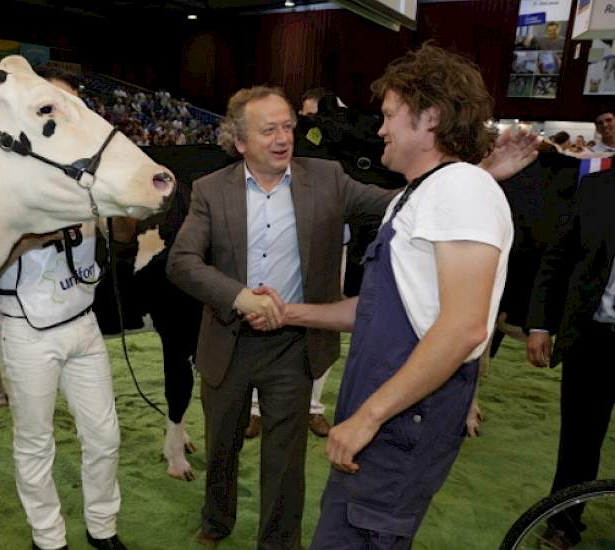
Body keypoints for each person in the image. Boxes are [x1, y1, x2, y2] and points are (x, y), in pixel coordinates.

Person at [244, 43, 535, 548]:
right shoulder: (419, 194)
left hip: (402, 421)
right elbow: (382, 310)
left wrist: (369, 417)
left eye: (389, 116)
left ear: (430, 118)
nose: (380, 129)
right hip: (392, 411)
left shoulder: (460, 189)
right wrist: (290, 312)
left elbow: (464, 326)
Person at [167, 85, 396, 549]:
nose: (282, 138)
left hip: (295, 346)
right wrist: (239, 297)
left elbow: (393, 202)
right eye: (268, 129)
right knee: (222, 447)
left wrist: (464, 177)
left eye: (288, 126)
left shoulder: (329, 178)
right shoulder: (211, 191)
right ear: (240, 142)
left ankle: (278, 542)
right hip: (227, 343)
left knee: (285, 458)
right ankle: (216, 522)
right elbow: (182, 262)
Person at [0, 68, 127, 550]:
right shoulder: (4, 178)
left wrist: (125, 202)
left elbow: (124, 238)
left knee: (105, 436)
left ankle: (103, 528)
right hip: (27, 329)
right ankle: (48, 539)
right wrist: (37, 233)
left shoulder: (90, 176)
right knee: (35, 442)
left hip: (83, 321)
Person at [525, 166, 615, 548]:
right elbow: (557, 257)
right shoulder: (596, 188)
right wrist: (541, 324)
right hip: (592, 338)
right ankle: (563, 522)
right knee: (579, 439)